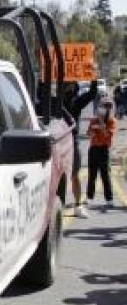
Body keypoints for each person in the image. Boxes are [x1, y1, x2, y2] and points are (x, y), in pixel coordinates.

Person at [63, 80, 98, 218]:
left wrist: (93, 78)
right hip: (57, 141)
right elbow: (41, 95)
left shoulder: (77, 102)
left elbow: (91, 94)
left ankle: (77, 206)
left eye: (72, 85)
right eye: (67, 85)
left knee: (75, 175)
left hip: (72, 141)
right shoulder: (55, 102)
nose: (70, 88)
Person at [86, 96, 117, 209]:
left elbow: (108, 135)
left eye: (108, 106)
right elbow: (89, 133)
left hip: (104, 149)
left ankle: (109, 199)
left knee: (105, 174)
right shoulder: (93, 120)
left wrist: (100, 123)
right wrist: (92, 131)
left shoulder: (112, 121)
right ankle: (90, 197)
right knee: (92, 175)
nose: (106, 108)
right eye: (104, 106)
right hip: (93, 149)